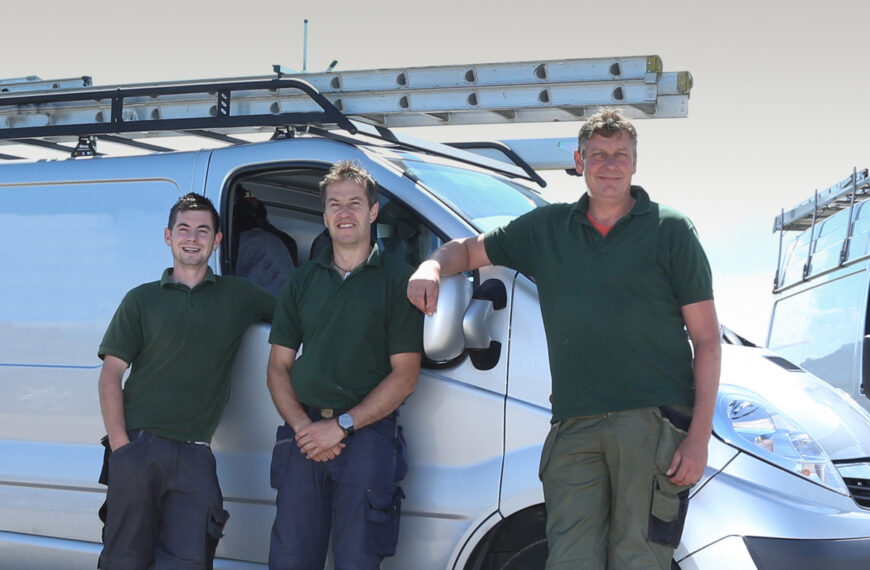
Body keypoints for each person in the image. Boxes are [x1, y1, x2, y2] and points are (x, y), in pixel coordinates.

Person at [407, 110, 721, 569]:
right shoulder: (548, 228)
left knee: (640, 560)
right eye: (598, 155)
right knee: (570, 561)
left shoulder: (670, 230)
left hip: (652, 425)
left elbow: (707, 340)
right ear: (579, 161)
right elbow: (470, 250)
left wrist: (698, 438)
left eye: (620, 155)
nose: (609, 164)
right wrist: (430, 266)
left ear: (635, 163)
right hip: (575, 426)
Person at [96, 193, 277, 569]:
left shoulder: (239, 295)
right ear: (168, 236)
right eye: (184, 229)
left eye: (203, 230)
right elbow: (111, 374)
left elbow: (297, 315)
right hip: (138, 448)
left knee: (191, 559)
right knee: (123, 561)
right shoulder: (141, 299)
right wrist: (121, 448)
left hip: (195, 454)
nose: (192, 238)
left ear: (217, 240)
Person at [266, 161, 423, 569]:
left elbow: (405, 376)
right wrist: (305, 429)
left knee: (357, 562)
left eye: (355, 203)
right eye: (335, 204)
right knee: (290, 561)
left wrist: (340, 426)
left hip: (367, 441)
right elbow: (278, 367)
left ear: (373, 212)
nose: (344, 213)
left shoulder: (398, 281)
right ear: (324, 215)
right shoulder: (302, 281)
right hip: (302, 441)